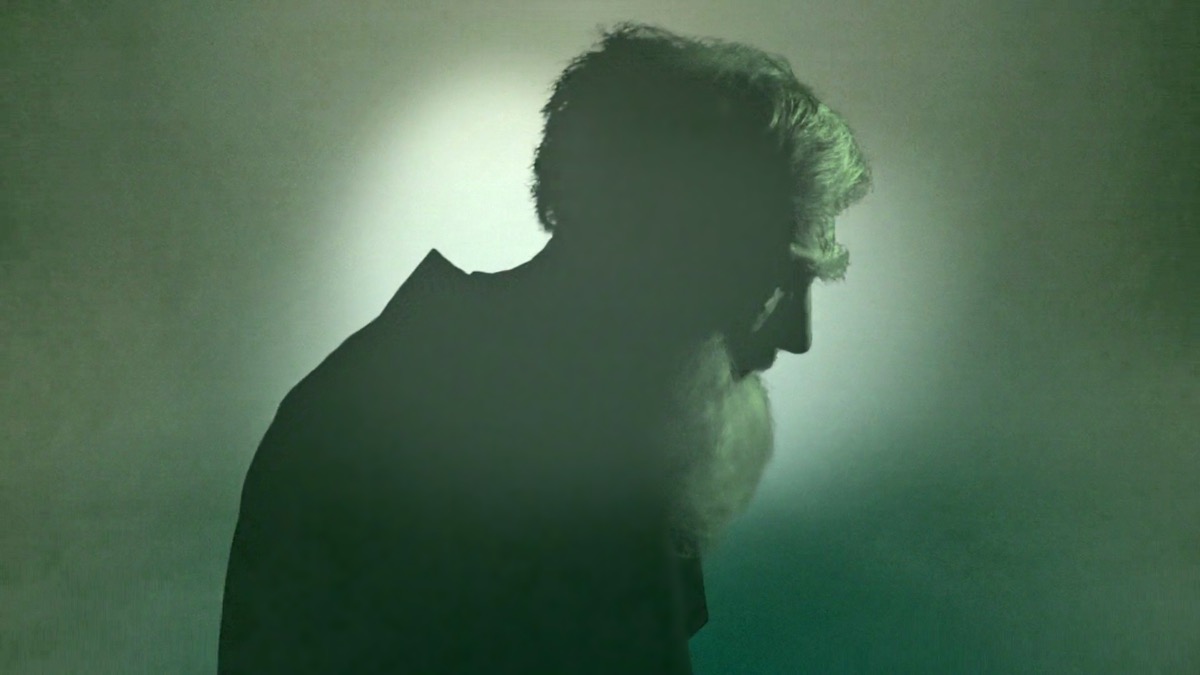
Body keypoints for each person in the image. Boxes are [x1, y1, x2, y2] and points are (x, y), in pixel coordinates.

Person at [217, 21, 872, 674]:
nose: (797, 337)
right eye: (777, 281)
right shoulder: (414, 449)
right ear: (669, 251)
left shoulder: (579, 434)